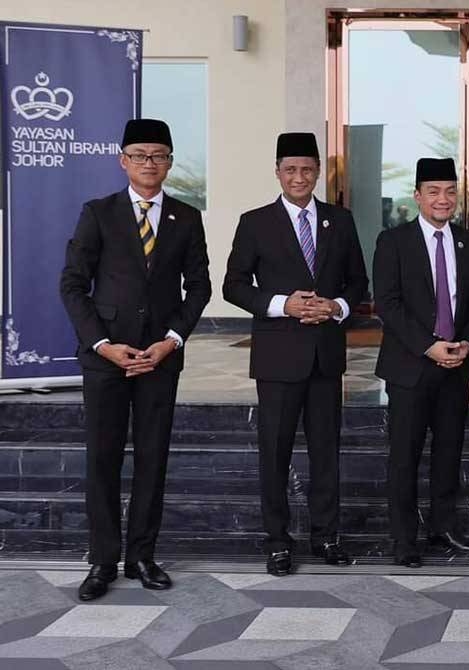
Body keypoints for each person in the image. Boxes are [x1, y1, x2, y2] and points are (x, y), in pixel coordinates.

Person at [60, 119, 211, 601]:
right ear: (123, 160)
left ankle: (142, 555)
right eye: (141, 155)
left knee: (152, 460)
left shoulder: (186, 217)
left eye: (160, 155)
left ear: (170, 162)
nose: (151, 164)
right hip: (107, 359)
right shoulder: (98, 213)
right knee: (102, 460)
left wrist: (171, 341)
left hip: (159, 359)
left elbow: (200, 287)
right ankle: (102, 560)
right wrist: (103, 344)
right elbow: (73, 284)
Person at [223, 132, 368, 576]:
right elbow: (233, 285)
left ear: (318, 171)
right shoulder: (255, 222)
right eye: (290, 169)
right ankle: (277, 542)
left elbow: (357, 283)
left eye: (307, 169)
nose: (299, 177)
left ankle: (327, 537)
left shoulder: (339, 221)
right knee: (275, 453)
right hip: (277, 358)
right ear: (278, 172)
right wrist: (281, 303)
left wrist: (336, 307)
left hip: (325, 357)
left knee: (326, 452)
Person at [373, 157, 469, 568]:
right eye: (434, 192)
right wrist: (428, 346)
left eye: (450, 192)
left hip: (456, 366)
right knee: (404, 454)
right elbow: (388, 304)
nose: (443, 199)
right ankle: (404, 538)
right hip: (410, 367)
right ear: (417, 196)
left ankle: (444, 526)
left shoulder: (468, 241)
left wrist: (467, 344)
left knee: (449, 451)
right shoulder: (393, 241)